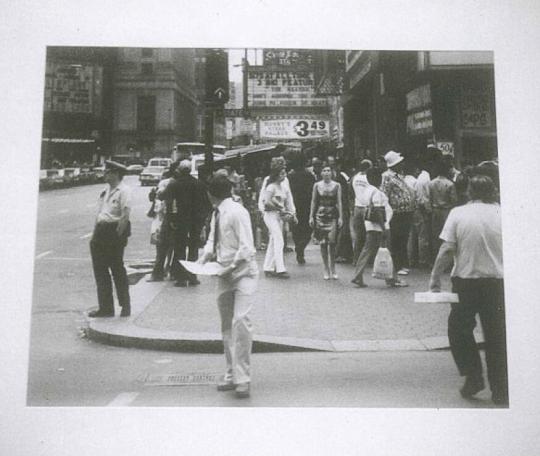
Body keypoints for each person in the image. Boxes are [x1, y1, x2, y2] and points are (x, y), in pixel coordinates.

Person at [429, 175, 507, 406]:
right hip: (497, 283)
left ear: (469, 192)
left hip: (466, 282)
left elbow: (447, 249)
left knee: (459, 330)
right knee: (497, 336)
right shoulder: (503, 213)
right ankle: (501, 389)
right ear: (493, 191)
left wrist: (435, 278)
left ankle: (473, 375)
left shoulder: (458, 213)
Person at [198, 175, 258, 399]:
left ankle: (243, 379)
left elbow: (247, 248)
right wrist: (204, 258)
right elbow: (213, 240)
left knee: (241, 322)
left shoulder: (236, 212)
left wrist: (231, 267)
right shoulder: (217, 214)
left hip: (244, 273)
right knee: (226, 325)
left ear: (209, 193)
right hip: (223, 271)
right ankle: (232, 373)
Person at [88, 161, 131, 318]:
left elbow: (125, 216)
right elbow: (100, 213)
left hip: (114, 232)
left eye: (108, 171)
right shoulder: (105, 190)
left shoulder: (124, 191)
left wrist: (118, 236)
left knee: (117, 270)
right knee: (100, 272)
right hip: (101, 232)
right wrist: (95, 234)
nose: (105, 174)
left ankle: (125, 305)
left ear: (116, 173)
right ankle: (106, 308)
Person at [158, 160, 211, 287]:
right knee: (193, 248)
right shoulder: (199, 184)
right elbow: (207, 203)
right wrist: (203, 219)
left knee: (179, 248)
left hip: (180, 220)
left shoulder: (174, 184)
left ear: (180, 170)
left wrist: (171, 219)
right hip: (196, 220)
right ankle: (192, 276)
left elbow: (169, 202)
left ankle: (180, 277)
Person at [350, 167, 396, 287]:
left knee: (367, 250)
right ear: (376, 178)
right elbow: (377, 210)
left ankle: (358, 275)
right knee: (387, 252)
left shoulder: (367, 190)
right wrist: (384, 227)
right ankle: (391, 278)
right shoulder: (376, 192)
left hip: (370, 225)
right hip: (379, 225)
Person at [381, 151, 416, 278]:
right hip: (396, 213)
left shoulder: (399, 176)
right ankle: (397, 264)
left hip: (405, 212)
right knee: (397, 239)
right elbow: (384, 194)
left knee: (403, 238)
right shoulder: (387, 176)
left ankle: (403, 263)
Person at [261, 165, 297, 278]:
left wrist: (291, 213)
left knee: (273, 240)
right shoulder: (271, 187)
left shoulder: (283, 187)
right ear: (276, 175)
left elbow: (288, 202)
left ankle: (268, 267)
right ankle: (280, 268)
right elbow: (266, 202)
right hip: (270, 215)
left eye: (284, 173)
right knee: (279, 240)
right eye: (281, 173)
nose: (284, 175)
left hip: (279, 216)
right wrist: (279, 208)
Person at [309, 165, 343, 280]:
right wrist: (311, 217)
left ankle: (333, 268)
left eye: (329, 170)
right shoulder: (317, 185)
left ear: (332, 172)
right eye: (324, 170)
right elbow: (313, 201)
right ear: (321, 173)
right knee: (323, 243)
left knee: (332, 242)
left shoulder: (337, 185)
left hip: (332, 214)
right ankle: (325, 268)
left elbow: (339, 202)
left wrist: (341, 217)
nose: (327, 172)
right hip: (320, 215)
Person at [147, 162, 179, 282]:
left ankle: (159, 272)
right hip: (172, 218)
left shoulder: (166, 183)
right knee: (171, 246)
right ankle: (169, 268)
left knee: (161, 247)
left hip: (163, 218)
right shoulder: (175, 183)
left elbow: (158, 201)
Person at [288, 155, 316, 264]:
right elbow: (313, 191)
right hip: (307, 206)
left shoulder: (290, 177)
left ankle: (299, 249)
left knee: (296, 229)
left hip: (294, 205)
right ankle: (301, 247)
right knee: (308, 230)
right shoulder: (309, 176)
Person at [429, 159, 458, 255]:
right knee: (446, 234)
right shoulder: (450, 184)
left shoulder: (431, 183)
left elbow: (430, 197)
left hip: (435, 210)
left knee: (435, 234)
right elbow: (454, 200)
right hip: (446, 210)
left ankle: (434, 255)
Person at [412, 152, 433, 268]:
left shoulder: (422, 178)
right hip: (422, 210)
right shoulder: (425, 179)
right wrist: (429, 211)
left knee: (418, 235)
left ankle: (417, 259)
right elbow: (423, 199)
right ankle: (423, 261)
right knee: (423, 236)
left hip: (419, 209)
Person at [350, 159, 373, 263]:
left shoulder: (355, 178)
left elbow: (351, 191)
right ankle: (367, 259)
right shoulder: (369, 179)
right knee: (369, 234)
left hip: (357, 207)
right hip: (366, 207)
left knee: (358, 235)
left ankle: (356, 259)